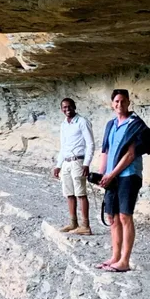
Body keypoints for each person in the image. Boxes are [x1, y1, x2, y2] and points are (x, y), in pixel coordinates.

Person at [96, 89, 150, 273]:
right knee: (112, 217)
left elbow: (130, 154)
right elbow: (105, 150)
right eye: (116, 101)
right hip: (111, 176)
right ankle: (115, 257)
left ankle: (125, 261)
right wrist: (101, 174)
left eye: (123, 101)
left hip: (128, 175)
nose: (119, 104)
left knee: (124, 216)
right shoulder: (111, 124)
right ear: (112, 103)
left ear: (129, 102)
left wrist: (111, 174)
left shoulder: (135, 124)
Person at [52, 97, 94, 235]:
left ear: (74, 106)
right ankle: (73, 222)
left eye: (70, 106)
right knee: (69, 193)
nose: (67, 109)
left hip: (78, 161)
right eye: (64, 107)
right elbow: (63, 146)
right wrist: (58, 165)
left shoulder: (82, 122)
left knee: (81, 193)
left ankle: (85, 226)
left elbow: (90, 144)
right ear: (61, 109)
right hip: (66, 162)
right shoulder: (64, 124)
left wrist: (86, 163)